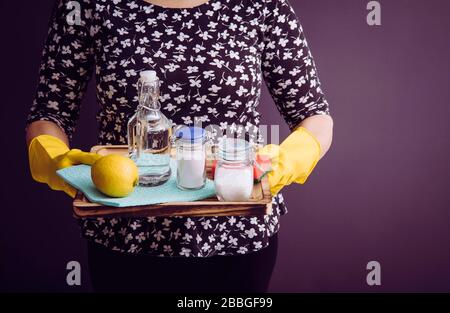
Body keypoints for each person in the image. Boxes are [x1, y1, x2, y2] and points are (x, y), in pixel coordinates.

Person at [26, 0, 333, 293]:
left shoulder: (262, 5)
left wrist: (284, 163)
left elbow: (314, 115)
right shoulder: (85, 5)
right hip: (124, 236)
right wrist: (57, 161)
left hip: (237, 236)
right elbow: (49, 113)